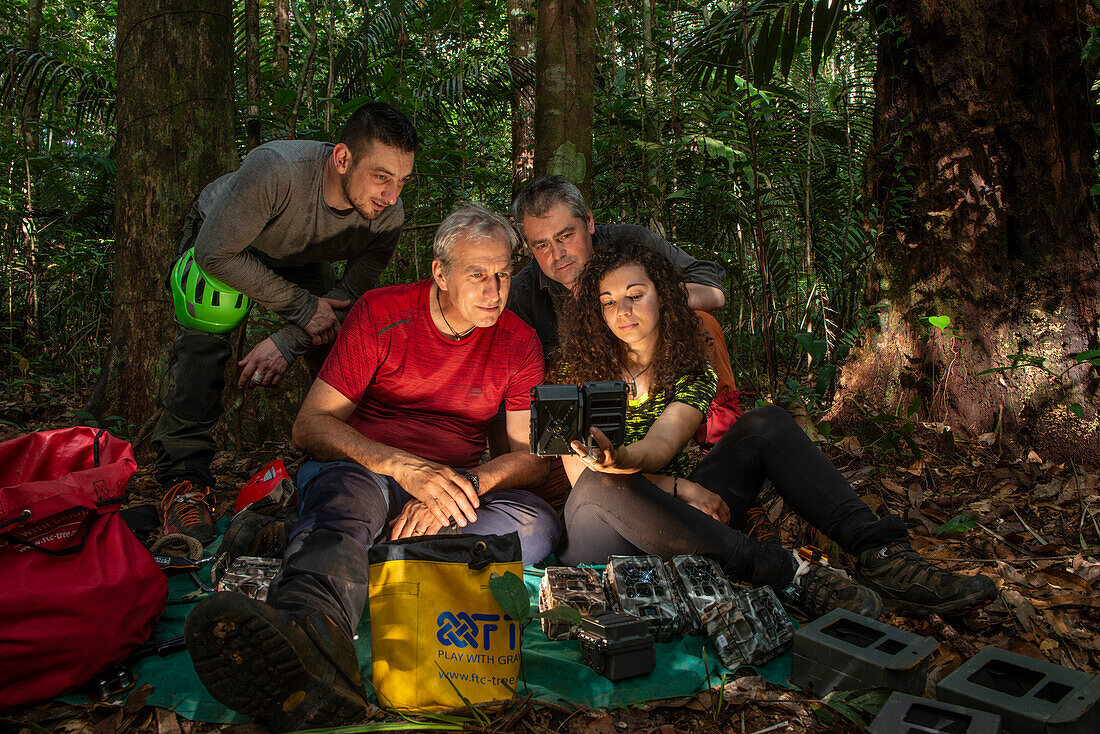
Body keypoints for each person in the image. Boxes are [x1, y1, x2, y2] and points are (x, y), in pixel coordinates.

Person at [183, 204, 560, 731]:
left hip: (449, 490)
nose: (494, 289)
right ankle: (311, 634)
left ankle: (320, 540)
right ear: (440, 273)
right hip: (366, 470)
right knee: (349, 501)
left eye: (502, 273)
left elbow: (529, 459)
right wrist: (402, 468)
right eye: (477, 274)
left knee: (536, 524)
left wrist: (466, 487)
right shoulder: (383, 313)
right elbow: (310, 426)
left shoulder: (519, 342)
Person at [554, 243, 997, 620]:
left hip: (680, 526)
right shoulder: (577, 375)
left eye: (635, 294)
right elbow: (584, 479)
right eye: (608, 301)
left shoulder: (690, 369)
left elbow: (662, 442)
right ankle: (785, 572)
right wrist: (679, 487)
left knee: (766, 423)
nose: (622, 310)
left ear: (665, 297)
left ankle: (881, 555)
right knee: (601, 483)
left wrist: (632, 461)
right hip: (605, 533)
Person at [152, 103, 418, 544]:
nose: (391, 196)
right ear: (342, 158)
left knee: (340, 339)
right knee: (208, 319)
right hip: (226, 237)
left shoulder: (387, 217)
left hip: (299, 255)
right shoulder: (276, 169)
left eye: (402, 181)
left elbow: (345, 301)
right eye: (381, 176)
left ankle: (338, 471)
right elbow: (215, 253)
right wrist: (299, 306)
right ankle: (184, 483)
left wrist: (290, 338)